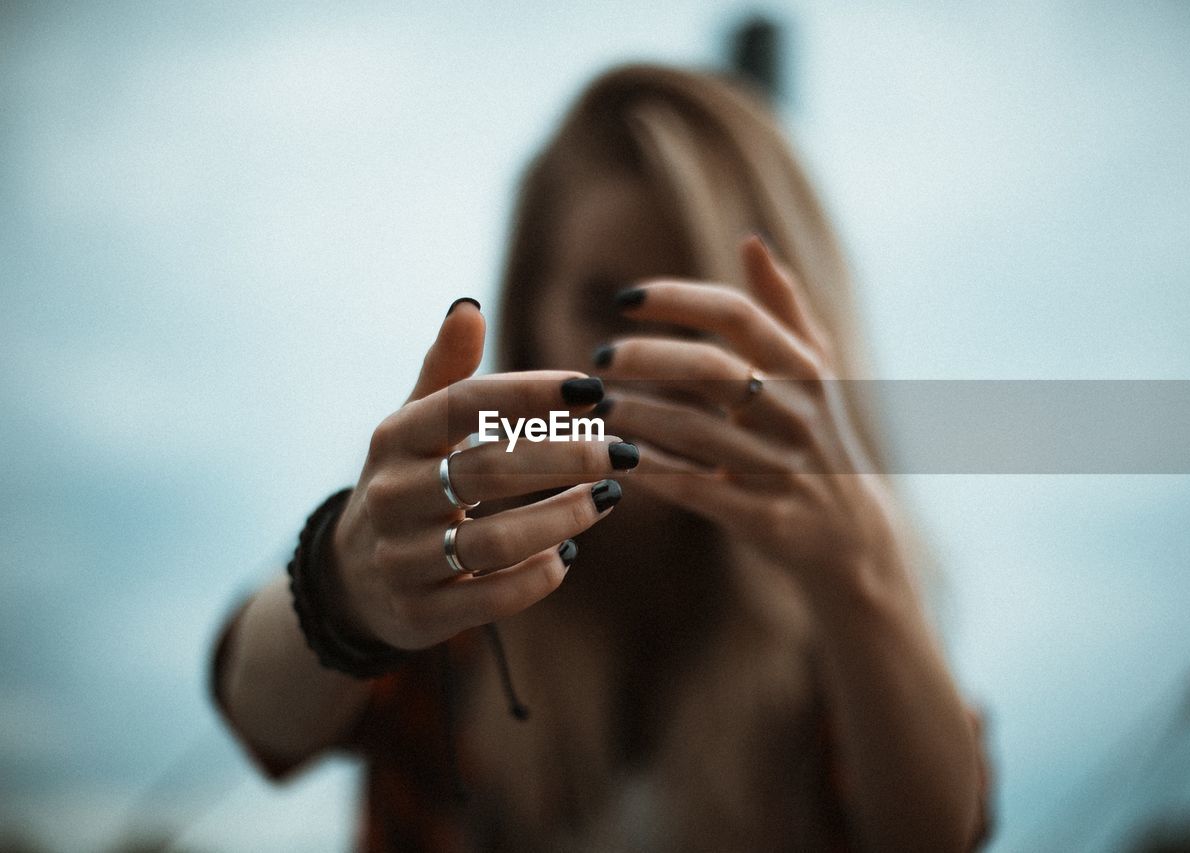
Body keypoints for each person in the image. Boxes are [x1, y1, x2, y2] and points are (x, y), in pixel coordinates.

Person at [212, 63, 991, 851]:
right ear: (528, 312)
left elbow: (936, 833)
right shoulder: (452, 554)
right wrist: (340, 585)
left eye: (705, 313)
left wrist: (861, 571)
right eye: (608, 306)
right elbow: (258, 712)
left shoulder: (828, 611)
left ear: (793, 339)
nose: (652, 364)